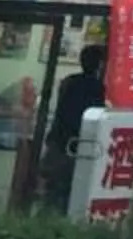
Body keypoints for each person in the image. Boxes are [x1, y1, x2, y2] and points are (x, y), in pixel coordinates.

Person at [41, 39, 106, 209]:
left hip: (59, 143)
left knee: (54, 192)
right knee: (67, 193)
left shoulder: (69, 81)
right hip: (75, 147)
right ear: (100, 65)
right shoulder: (95, 88)